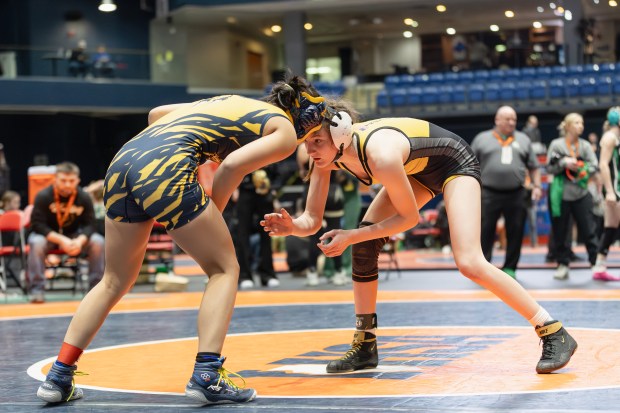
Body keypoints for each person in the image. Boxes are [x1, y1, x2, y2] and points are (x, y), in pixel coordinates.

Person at [36, 75, 326, 405]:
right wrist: (211, 212)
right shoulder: (286, 132)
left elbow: (156, 113)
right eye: (313, 136)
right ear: (307, 121)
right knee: (224, 269)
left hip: (123, 162)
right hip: (166, 166)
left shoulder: (228, 101)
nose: (310, 144)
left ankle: (59, 376)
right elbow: (231, 166)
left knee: (113, 280)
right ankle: (207, 375)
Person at [262, 107, 577, 376]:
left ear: (340, 134)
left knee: (469, 262)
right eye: (306, 142)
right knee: (365, 245)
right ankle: (365, 344)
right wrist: (292, 228)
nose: (310, 150)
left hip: (454, 163)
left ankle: (553, 331)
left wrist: (352, 235)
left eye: (317, 141)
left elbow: (408, 219)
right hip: (418, 168)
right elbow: (312, 220)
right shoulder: (327, 157)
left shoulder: (380, 154)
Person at [471, 106, 543, 279]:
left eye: (514, 119)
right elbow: (470, 166)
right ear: (497, 120)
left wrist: (538, 186)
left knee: (516, 231)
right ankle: (484, 267)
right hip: (488, 192)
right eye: (507, 119)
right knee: (485, 230)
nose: (511, 122)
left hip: (517, 193)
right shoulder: (482, 139)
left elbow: (534, 167)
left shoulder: (524, 139)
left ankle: (510, 268)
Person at [27, 162, 104, 304]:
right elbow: (37, 225)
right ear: (55, 179)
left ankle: (95, 291)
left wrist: (80, 240)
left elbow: (91, 224)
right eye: (63, 180)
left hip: (74, 235)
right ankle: (36, 290)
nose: (67, 184)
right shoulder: (43, 196)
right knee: (36, 242)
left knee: (98, 242)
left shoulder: (84, 197)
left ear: (78, 181)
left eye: (71, 181)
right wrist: (62, 240)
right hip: (49, 236)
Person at [546, 113, 599, 280]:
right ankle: (562, 264)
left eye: (582, 122)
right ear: (568, 126)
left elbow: (594, 166)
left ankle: (595, 263)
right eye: (576, 123)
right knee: (561, 231)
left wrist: (582, 167)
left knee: (589, 229)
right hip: (561, 194)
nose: (581, 126)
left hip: (582, 193)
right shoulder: (556, 144)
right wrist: (564, 163)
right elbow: (549, 168)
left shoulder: (585, 145)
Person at [236, 165, 280, 289]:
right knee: (242, 234)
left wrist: (274, 188)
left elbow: (278, 167)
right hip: (245, 189)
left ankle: (268, 274)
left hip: (265, 189)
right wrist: (234, 187)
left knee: (267, 233)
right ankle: (244, 275)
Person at [590, 107, 620, 281]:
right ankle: (599, 265)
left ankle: (599, 266)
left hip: (616, 188)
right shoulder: (609, 137)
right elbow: (603, 165)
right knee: (611, 226)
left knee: (611, 227)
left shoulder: (616, 137)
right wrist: (609, 191)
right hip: (614, 189)